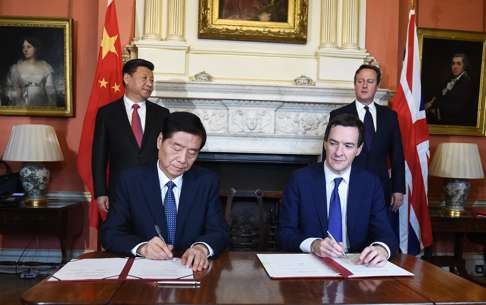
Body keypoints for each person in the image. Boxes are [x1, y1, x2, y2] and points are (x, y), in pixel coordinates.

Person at [101, 112, 229, 271]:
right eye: (176, 148)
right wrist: (143, 248)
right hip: (144, 274)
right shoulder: (130, 180)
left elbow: (219, 231)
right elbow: (111, 233)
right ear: (160, 141)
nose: (183, 159)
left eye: (192, 153)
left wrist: (201, 248)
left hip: (191, 271)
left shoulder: (206, 181)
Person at [278, 113, 398, 267]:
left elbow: (387, 235)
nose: (339, 153)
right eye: (334, 143)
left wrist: (381, 249)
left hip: (358, 267)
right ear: (325, 144)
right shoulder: (300, 180)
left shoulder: (370, 184)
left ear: (358, 149)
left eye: (348, 146)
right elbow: (284, 234)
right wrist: (314, 245)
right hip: (312, 265)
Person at [329, 64, 405, 224]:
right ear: (354, 84)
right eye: (360, 81)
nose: (364, 85)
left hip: (380, 187)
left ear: (377, 85)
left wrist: (398, 188)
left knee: (379, 232)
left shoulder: (390, 116)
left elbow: (397, 154)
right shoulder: (338, 115)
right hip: (348, 185)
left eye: (369, 81)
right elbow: (329, 153)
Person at [92, 58, 169, 213]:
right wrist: (100, 192)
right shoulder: (107, 113)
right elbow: (99, 156)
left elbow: (167, 153)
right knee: (120, 234)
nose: (149, 84)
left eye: (152, 80)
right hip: (119, 191)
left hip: (153, 190)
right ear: (127, 79)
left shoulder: (162, 114)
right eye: (145, 78)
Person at [425, 53, 476, 126]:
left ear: (464, 66)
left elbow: (457, 108)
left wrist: (435, 106)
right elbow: (441, 95)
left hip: (456, 122)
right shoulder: (451, 80)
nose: (455, 67)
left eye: (458, 64)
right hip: (446, 117)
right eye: (453, 64)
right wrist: (431, 103)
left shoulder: (466, 82)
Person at [5, 37, 57, 106]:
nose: (25, 50)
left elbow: (50, 89)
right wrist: (16, 93)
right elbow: (11, 87)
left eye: (29, 47)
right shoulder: (16, 67)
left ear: (36, 48)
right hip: (22, 102)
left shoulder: (46, 67)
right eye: (23, 47)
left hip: (41, 102)